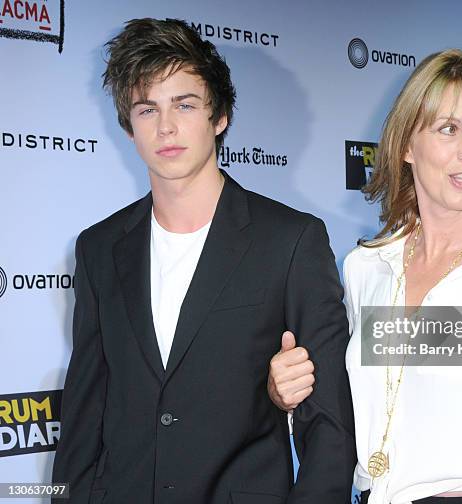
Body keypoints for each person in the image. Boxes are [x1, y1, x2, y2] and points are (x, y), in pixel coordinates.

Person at [52, 18, 356, 503]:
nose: (166, 127)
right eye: (147, 109)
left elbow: (330, 426)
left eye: (185, 104)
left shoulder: (291, 240)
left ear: (220, 117)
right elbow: (85, 413)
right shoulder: (99, 248)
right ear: (129, 128)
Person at [268, 49, 462, 504]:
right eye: (448, 129)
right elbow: (366, 414)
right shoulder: (367, 269)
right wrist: (290, 397)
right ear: (405, 146)